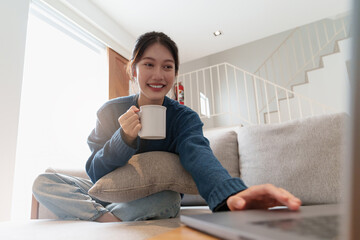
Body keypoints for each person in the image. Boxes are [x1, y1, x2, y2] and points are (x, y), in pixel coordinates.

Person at [32, 31, 301, 222]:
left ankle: (103, 216)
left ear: (175, 73)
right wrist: (123, 138)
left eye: (168, 67)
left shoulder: (184, 118)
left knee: (170, 199)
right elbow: (94, 172)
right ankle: (107, 217)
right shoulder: (110, 110)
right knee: (44, 181)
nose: (159, 75)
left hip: (150, 198)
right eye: (148, 64)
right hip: (104, 193)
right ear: (134, 70)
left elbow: (199, 154)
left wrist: (232, 194)